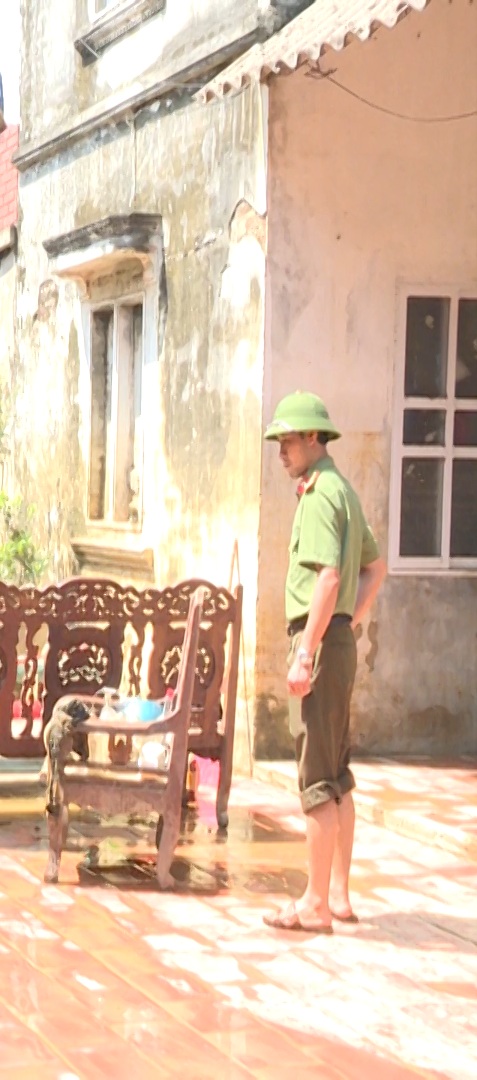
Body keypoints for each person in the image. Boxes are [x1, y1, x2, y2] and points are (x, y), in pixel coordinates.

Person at [262, 391, 386, 934]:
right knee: (338, 775)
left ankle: (314, 903)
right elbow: (376, 568)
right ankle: (337, 894)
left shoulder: (318, 495)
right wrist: (348, 624)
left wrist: (306, 651)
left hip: (319, 644)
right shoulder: (343, 490)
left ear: (314, 438)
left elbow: (329, 578)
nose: (281, 452)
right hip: (337, 642)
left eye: (288, 441)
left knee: (317, 777)